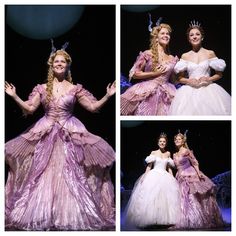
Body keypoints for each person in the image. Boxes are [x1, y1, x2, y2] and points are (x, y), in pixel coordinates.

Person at [5, 45, 116, 231]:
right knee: (42, 172)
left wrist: (108, 95)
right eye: (56, 61)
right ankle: (43, 213)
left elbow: (93, 107)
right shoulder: (42, 88)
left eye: (62, 62)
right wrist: (15, 96)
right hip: (46, 130)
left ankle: (67, 214)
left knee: (70, 173)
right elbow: (30, 108)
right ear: (51, 65)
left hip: (69, 131)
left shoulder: (74, 88)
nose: (59, 64)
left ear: (67, 65)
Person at [169, 20, 231, 115]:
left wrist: (208, 78)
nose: (194, 37)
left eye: (197, 34)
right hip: (189, 90)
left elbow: (219, 74)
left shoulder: (210, 53)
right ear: (189, 39)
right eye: (191, 35)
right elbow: (180, 78)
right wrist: (188, 81)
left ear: (202, 37)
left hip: (208, 89)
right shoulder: (185, 56)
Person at [120, 16, 177, 116]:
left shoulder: (172, 58)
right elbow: (135, 74)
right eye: (163, 33)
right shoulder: (148, 53)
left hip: (167, 92)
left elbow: (173, 80)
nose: (166, 35)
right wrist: (155, 73)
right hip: (148, 91)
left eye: (168, 34)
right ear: (156, 37)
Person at [124, 133, 181, 229]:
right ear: (158, 142)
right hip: (154, 175)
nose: (162, 143)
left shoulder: (168, 153)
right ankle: (152, 219)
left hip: (165, 176)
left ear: (166, 143)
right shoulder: (154, 153)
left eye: (164, 142)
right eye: (160, 141)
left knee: (165, 199)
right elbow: (149, 167)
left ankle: (163, 220)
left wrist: (173, 179)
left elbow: (169, 168)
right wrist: (144, 176)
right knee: (152, 197)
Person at [173, 131, 224, 229]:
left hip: (190, 174)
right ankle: (187, 219)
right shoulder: (175, 154)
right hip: (180, 177)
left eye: (179, 139)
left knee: (192, 197)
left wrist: (198, 173)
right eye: (175, 139)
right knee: (183, 199)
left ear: (183, 141)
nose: (177, 141)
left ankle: (196, 220)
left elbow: (195, 162)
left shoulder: (186, 151)